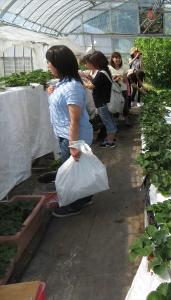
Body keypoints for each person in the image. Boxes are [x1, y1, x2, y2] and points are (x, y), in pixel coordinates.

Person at [46, 45, 94, 217]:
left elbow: (74, 119)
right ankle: (85, 198)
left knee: (71, 173)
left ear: (60, 64)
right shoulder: (63, 82)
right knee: (78, 170)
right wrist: (52, 91)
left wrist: (73, 145)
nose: (48, 66)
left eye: (50, 63)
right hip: (68, 135)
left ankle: (74, 204)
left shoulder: (72, 86)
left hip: (73, 137)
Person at [84, 51, 117, 148]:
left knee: (107, 122)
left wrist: (83, 83)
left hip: (102, 103)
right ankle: (111, 137)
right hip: (105, 102)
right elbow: (96, 83)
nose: (91, 64)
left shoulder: (101, 73)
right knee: (110, 120)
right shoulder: (104, 71)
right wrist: (89, 78)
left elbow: (91, 86)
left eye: (92, 62)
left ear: (97, 62)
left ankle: (110, 142)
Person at [109, 51, 130, 126]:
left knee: (125, 105)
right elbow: (108, 79)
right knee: (116, 104)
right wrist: (114, 78)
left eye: (119, 58)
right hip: (115, 90)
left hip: (123, 89)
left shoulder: (123, 67)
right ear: (112, 59)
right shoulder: (109, 68)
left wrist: (123, 77)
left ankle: (126, 120)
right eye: (116, 58)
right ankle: (116, 121)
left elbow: (125, 80)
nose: (118, 59)